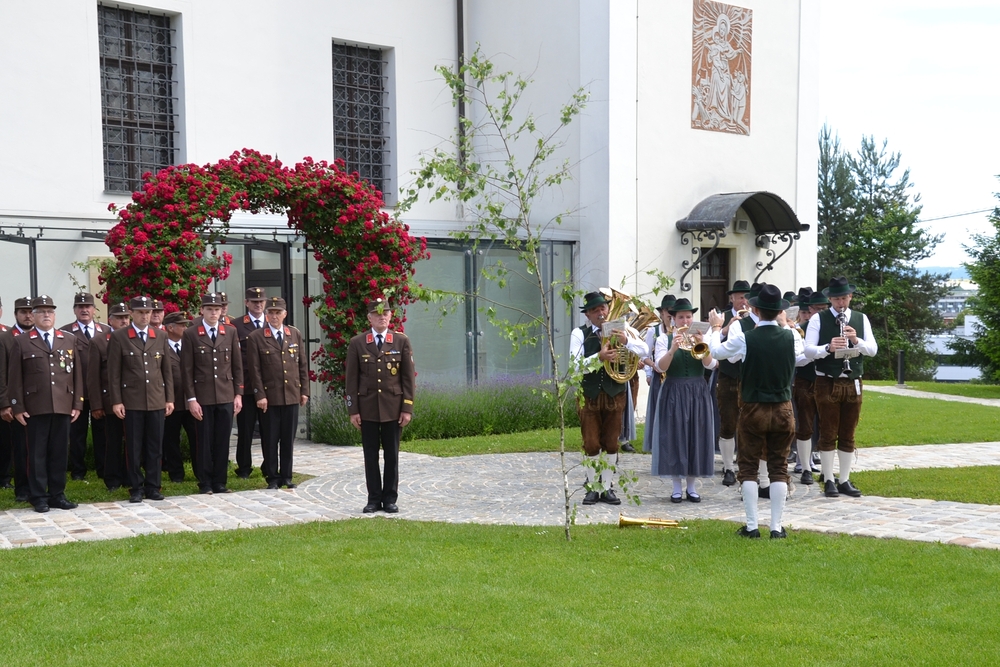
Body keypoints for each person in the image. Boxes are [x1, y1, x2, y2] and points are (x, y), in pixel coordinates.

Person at [708, 284, 804, 538]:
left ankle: (752, 526)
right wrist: (786, 326)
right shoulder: (792, 337)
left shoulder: (745, 338)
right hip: (783, 408)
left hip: (753, 408)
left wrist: (716, 328)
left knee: (748, 468)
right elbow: (801, 355)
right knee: (779, 467)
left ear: (756, 310)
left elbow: (716, 352)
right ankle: (776, 527)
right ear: (779, 311)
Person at [569, 291, 648, 506]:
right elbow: (574, 366)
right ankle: (593, 487)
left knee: (611, 442)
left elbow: (644, 350)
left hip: (615, 394)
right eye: (594, 310)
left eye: (602, 308)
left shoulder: (623, 329)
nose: (601, 313)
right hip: (589, 395)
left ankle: (606, 487)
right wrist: (599, 357)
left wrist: (627, 340)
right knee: (591, 443)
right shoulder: (579, 333)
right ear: (587, 314)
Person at [6, 295, 84, 513]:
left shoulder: (67, 339)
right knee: (36, 453)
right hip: (35, 407)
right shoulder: (22, 341)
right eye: (41, 312)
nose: (46, 315)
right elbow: (15, 378)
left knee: (59, 452)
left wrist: (77, 403)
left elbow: (77, 375)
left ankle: (57, 494)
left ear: (55, 315)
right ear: (34, 316)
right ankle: (38, 496)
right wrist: (17, 406)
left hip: (63, 404)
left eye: (50, 311)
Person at [805, 276, 878, 498]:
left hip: (853, 380)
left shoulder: (860, 318)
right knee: (828, 431)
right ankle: (829, 479)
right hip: (827, 380)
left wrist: (856, 341)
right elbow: (808, 350)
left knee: (848, 432)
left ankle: (844, 479)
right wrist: (827, 348)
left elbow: (872, 350)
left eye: (844, 298)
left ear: (850, 297)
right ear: (830, 299)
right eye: (836, 299)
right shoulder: (818, 319)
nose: (841, 303)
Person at [345, 297, 415, 514]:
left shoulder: (401, 341)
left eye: (385, 313)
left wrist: (407, 408)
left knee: (392, 456)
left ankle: (390, 499)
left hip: (393, 409)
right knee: (370, 456)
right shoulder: (358, 343)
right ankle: (374, 499)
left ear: (390, 316)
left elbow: (408, 379)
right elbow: (351, 380)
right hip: (367, 409)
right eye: (377, 314)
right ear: (369, 318)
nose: (381, 317)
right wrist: (353, 410)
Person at [107, 296, 173, 503]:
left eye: (148, 312)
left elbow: (167, 370)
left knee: (155, 446)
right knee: (134, 447)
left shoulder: (160, 335)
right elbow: (114, 373)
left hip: (156, 398)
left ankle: (153, 486)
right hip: (132, 400)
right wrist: (116, 401)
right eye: (140, 312)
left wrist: (169, 399)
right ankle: (136, 487)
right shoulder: (120, 336)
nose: (145, 316)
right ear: (132, 314)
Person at [651, 298, 717, 502]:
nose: (685, 321)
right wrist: (672, 349)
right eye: (681, 317)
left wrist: (702, 344)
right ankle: (676, 487)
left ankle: (692, 486)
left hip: (697, 390)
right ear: (673, 319)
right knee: (674, 436)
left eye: (688, 316)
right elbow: (660, 367)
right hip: (674, 390)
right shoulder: (664, 339)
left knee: (696, 435)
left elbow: (711, 364)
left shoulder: (702, 337)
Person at [180, 292, 243, 495]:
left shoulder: (230, 332)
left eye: (217, 309)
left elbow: (237, 366)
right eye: (209, 309)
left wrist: (238, 394)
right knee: (204, 442)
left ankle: (220, 482)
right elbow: (187, 370)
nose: (214, 313)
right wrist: (191, 399)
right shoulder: (191, 334)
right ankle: (205, 482)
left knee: (222, 440)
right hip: (203, 396)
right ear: (202, 310)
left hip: (225, 394)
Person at [246, 297, 309, 489]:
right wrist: (260, 395)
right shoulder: (256, 337)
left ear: (285, 314)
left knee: (288, 439)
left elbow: (302, 364)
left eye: (278, 313)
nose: (274, 316)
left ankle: (287, 476)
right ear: (266, 315)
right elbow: (254, 370)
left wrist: (304, 391)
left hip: (291, 395)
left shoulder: (294, 334)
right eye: (271, 313)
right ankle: (272, 477)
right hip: (270, 397)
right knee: (270, 439)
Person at [60, 292, 112, 481]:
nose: (84, 310)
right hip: (76, 391)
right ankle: (78, 471)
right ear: (74, 310)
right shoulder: (65, 332)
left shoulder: (106, 330)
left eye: (87, 306)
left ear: (94, 309)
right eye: (80, 307)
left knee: (102, 433)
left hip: (100, 391)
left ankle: (103, 468)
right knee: (77, 434)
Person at [88, 301, 132, 491]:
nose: (124, 321)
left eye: (126, 317)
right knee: (112, 441)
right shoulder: (99, 341)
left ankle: (130, 476)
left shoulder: (133, 338)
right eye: (119, 318)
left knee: (132, 441)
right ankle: (112, 478)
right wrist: (96, 404)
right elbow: (93, 376)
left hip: (132, 399)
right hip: (109, 401)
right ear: (110, 320)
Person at [716, 279, 754, 486]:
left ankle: (746, 464)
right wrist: (725, 329)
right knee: (728, 422)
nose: (744, 301)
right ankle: (728, 467)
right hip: (728, 377)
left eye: (747, 297)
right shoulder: (722, 317)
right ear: (732, 298)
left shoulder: (756, 318)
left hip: (749, 377)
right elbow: (712, 345)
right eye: (740, 297)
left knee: (750, 423)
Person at [0, 297, 35, 501]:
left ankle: (37, 483)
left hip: (37, 401)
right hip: (15, 402)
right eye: (23, 312)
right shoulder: (6, 338)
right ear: (15, 314)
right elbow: (3, 374)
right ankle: (20, 486)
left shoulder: (40, 336)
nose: (28, 315)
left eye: (31, 312)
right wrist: (5, 403)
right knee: (17, 445)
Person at [233, 287, 268, 479]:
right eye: (254, 301)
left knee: (269, 430)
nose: (258, 304)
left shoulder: (272, 322)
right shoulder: (237, 325)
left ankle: (269, 466)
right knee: (245, 430)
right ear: (246, 303)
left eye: (261, 301)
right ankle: (244, 468)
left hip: (268, 386)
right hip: (246, 385)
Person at [161, 311, 198, 483]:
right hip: (172, 400)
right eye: (182, 325)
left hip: (191, 400)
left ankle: (200, 471)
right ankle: (176, 474)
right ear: (170, 328)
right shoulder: (161, 345)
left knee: (197, 438)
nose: (185, 328)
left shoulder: (189, 344)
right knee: (171, 439)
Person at [641, 294, 675, 453]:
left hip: (676, 376)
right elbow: (645, 355)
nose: (670, 314)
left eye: (673, 311)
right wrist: (651, 370)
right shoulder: (653, 331)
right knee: (659, 411)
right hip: (659, 377)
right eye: (667, 311)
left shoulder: (681, 331)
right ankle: (658, 444)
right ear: (661, 313)